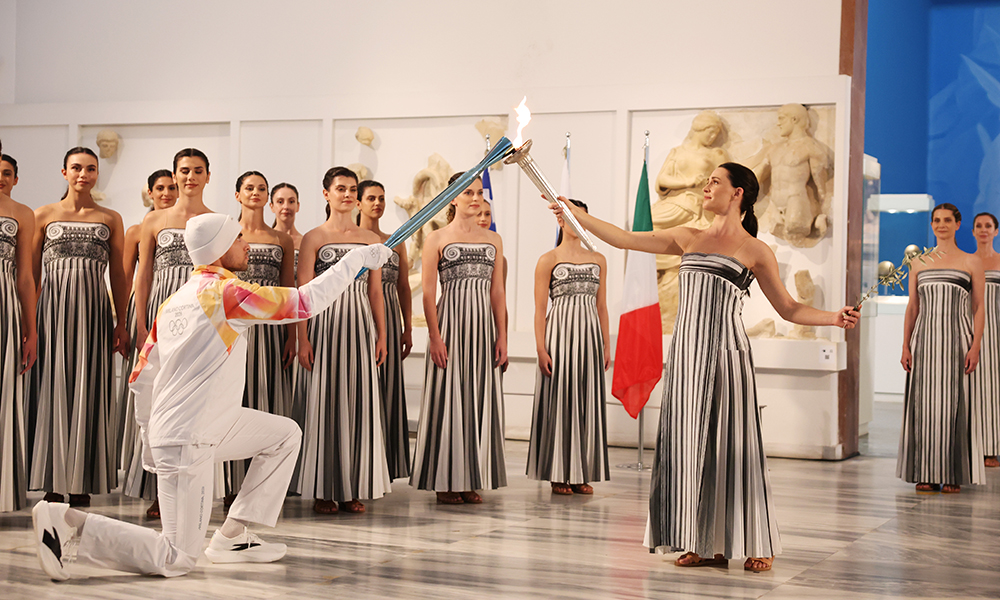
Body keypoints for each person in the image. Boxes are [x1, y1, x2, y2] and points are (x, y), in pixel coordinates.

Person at [30, 213, 393, 580]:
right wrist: (358, 258)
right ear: (219, 249)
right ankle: (67, 524)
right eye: (237, 239)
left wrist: (148, 436)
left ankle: (232, 536)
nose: (246, 244)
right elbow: (303, 303)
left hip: (201, 426)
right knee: (176, 558)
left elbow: (142, 376)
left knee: (285, 435)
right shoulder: (226, 294)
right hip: (189, 437)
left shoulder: (175, 301)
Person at [551, 163, 858, 573]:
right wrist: (574, 214)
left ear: (738, 194)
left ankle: (753, 540)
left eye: (715, 181)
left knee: (734, 446)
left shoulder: (755, 250)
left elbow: (789, 308)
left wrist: (834, 318)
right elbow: (624, 238)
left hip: (727, 355)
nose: (706, 186)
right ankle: (696, 539)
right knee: (688, 445)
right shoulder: (687, 238)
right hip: (685, 357)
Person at [27, 147, 130, 508]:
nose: (83, 174)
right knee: (54, 388)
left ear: (96, 173)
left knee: (90, 387)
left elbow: (118, 274)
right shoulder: (43, 215)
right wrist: (30, 323)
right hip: (51, 313)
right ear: (64, 172)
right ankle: (54, 480)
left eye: (90, 168)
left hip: (94, 315)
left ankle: (82, 479)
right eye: (76, 168)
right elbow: (30, 275)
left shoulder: (110, 218)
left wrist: (123, 322)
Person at [293, 167, 390, 514]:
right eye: (340, 189)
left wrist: (382, 335)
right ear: (326, 194)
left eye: (352, 189)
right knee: (325, 402)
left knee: (358, 403)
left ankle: (352, 487)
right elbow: (302, 292)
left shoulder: (370, 239)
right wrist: (302, 338)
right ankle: (323, 487)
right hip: (325, 325)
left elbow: (376, 291)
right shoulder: (313, 238)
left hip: (360, 324)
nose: (347, 195)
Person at [124, 149, 216, 514]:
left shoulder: (218, 219)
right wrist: (142, 322)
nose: (190, 177)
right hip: (162, 315)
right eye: (184, 171)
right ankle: (160, 491)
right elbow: (143, 274)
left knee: (197, 401)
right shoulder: (155, 221)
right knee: (158, 399)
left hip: (201, 318)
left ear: (208, 175)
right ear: (174, 176)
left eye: (197, 171)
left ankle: (197, 491)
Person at [410, 172, 507, 505]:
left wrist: (503, 336)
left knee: (476, 399)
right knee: (448, 398)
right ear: (452, 197)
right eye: (468, 192)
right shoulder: (436, 238)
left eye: (479, 192)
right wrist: (435, 338)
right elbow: (426, 294)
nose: (476, 198)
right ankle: (444, 479)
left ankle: (469, 477)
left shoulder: (493, 240)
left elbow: (498, 292)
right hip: (449, 324)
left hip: (483, 329)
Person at [898, 203, 986, 494]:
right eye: (937, 220)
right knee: (925, 408)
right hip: (924, 343)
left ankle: (953, 473)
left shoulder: (971, 261)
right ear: (932, 224)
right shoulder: (918, 262)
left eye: (947, 220)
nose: (941, 224)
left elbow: (978, 307)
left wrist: (975, 346)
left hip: (957, 342)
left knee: (954, 407)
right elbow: (913, 306)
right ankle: (924, 471)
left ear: (958, 224)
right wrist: (905, 345)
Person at [527, 199, 611, 496]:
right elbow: (539, 309)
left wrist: (606, 344)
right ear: (560, 221)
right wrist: (540, 348)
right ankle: (558, 472)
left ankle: (580, 472)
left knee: (586, 402)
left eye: (583, 217)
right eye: (573, 217)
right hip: (560, 336)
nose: (578, 222)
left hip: (588, 338)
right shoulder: (548, 260)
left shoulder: (598, 259)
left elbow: (601, 306)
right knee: (560, 401)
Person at [222, 171, 296, 502]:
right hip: (233, 327)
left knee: (266, 399)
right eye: (248, 188)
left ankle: (260, 491)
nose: (255, 193)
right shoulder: (226, 233)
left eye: (261, 188)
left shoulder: (283, 240)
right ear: (237, 194)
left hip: (269, 332)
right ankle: (226, 485)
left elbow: (290, 290)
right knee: (230, 399)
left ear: (268, 197)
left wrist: (294, 336)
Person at [117, 169, 176, 518]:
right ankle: (149, 484)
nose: (167, 193)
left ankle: (170, 488)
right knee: (147, 401)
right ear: (150, 193)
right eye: (160, 188)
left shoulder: (189, 222)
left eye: (171, 187)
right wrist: (129, 325)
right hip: (149, 315)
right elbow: (129, 278)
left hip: (184, 316)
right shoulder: (138, 230)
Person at [357, 179, 413, 480]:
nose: (377, 203)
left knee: (388, 387)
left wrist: (407, 328)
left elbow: (404, 286)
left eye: (381, 198)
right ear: (359, 202)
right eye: (371, 198)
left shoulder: (396, 239)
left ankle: (386, 463)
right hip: (359, 315)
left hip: (390, 318)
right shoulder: (352, 240)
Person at [0, 151, 38, 512]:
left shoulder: (22, 213)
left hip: (5, 310)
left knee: (2, 398)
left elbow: (25, 278)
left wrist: (31, 330)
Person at [972, 212, 1000, 468]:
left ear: (996, 231)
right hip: (972, 331)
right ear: (972, 231)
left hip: (998, 332)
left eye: (988, 226)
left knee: (995, 388)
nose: (983, 230)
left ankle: (993, 447)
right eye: (979, 226)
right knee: (975, 387)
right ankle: (976, 444)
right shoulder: (967, 262)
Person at [269, 182, 303, 273]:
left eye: (291, 202)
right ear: (271, 206)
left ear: (297, 206)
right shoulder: (266, 239)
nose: (286, 206)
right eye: (280, 202)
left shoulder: (305, 242)